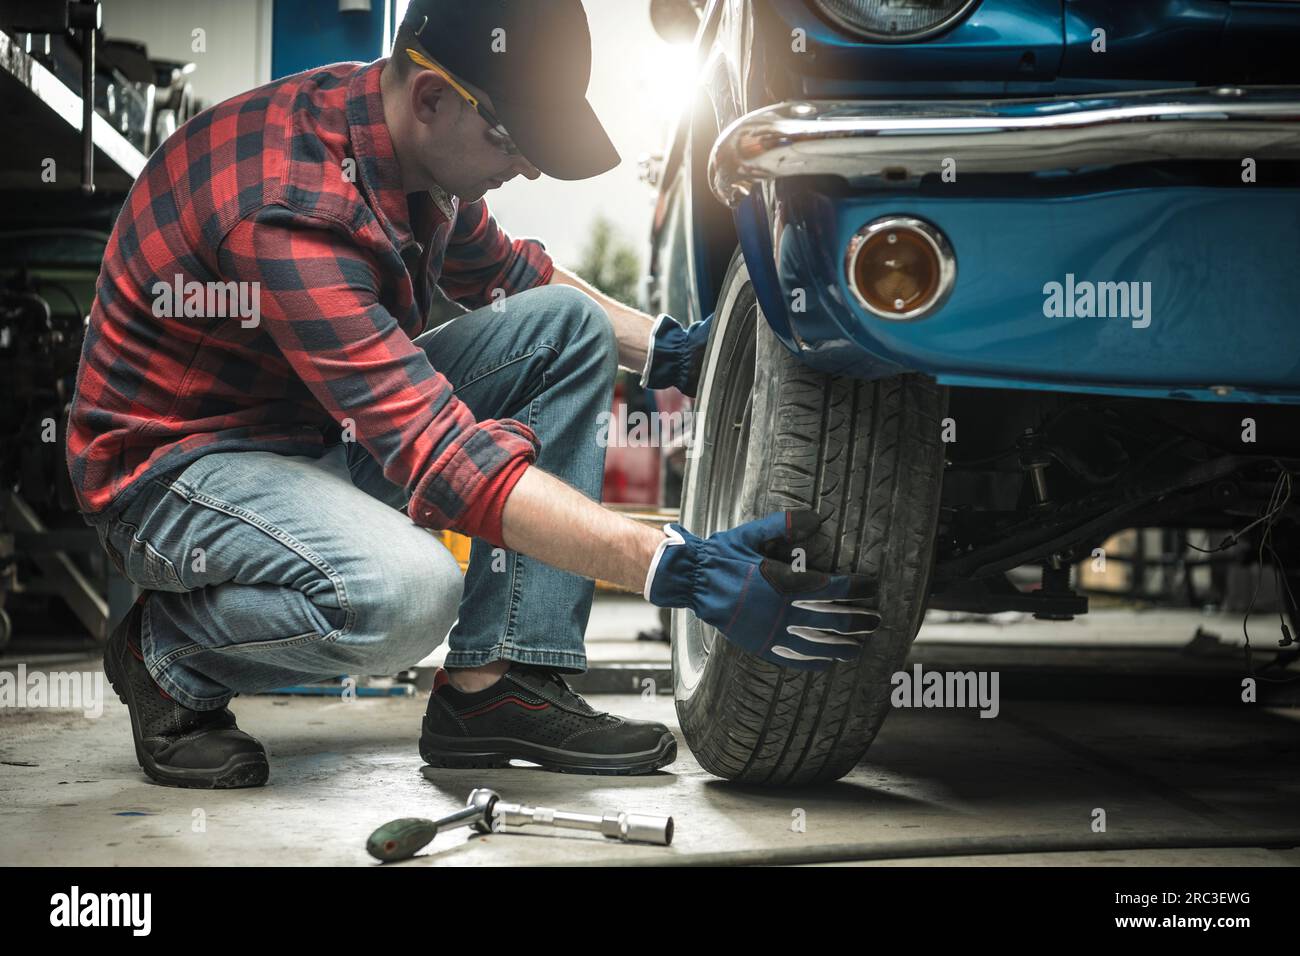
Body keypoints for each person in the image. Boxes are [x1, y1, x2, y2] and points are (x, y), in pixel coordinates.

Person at [67, 0, 877, 789]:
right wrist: (673, 565)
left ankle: (498, 689)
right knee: (404, 595)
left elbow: (510, 276)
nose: (526, 166)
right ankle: (167, 655)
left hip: (307, 427)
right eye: (514, 140)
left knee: (564, 326)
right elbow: (443, 459)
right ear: (430, 98)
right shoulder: (289, 206)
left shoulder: (408, 150)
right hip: (175, 471)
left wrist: (671, 351)